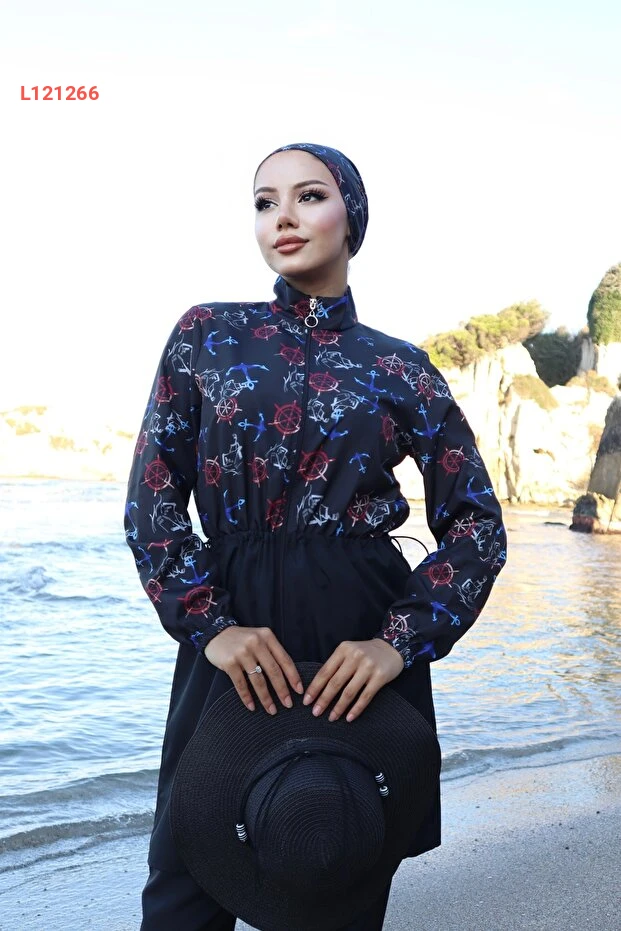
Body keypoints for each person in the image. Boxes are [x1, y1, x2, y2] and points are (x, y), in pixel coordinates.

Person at [124, 141, 507, 930]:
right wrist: (209, 624)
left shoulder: (400, 367)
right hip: (234, 629)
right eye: (264, 202)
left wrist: (398, 642)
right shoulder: (206, 334)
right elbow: (152, 497)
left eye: (308, 195)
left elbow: (476, 522)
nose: (282, 217)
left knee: (335, 861)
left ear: (351, 215)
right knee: (183, 883)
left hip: (357, 640)